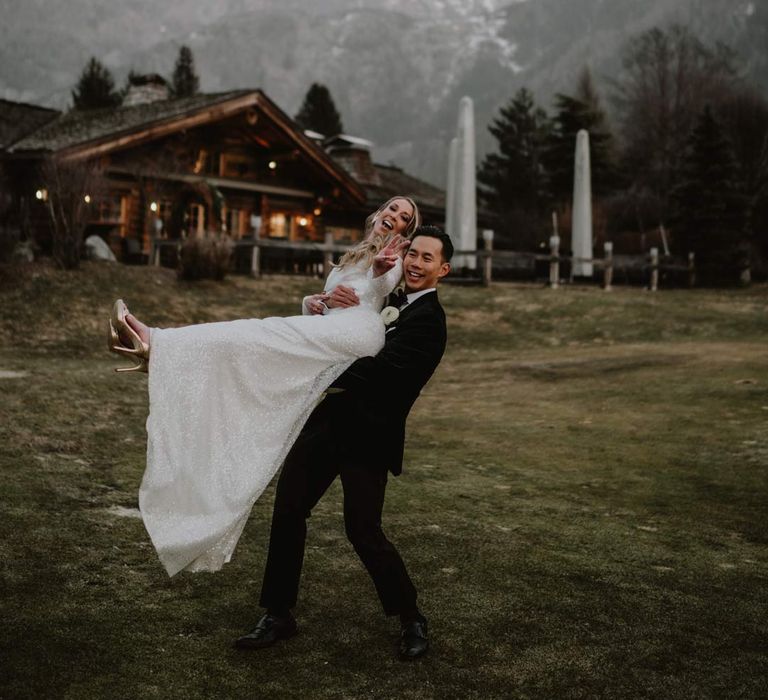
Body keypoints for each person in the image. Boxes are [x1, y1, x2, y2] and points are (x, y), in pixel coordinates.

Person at [108, 196, 420, 577]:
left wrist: (381, 267)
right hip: (334, 326)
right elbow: (329, 298)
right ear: (380, 212)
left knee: (259, 334)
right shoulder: (355, 252)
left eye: (405, 218)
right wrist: (314, 301)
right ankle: (161, 348)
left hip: (358, 332)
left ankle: (158, 344)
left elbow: (383, 278)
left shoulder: (391, 257)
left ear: (406, 230)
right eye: (393, 209)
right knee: (260, 333)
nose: (396, 218)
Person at [236, 225, 453, 661]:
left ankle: (411, 616)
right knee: (288, 510)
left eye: (427, 259)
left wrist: (320, 361)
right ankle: (278, 614)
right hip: (328, 422)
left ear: (442, 270)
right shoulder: (387, 300)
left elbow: (384, 374)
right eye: (413, 253)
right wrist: (320, 307)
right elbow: (343, 322)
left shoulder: (430, 323)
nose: (415, 263)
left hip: (370, 435)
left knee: (363, 530)